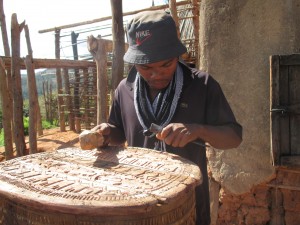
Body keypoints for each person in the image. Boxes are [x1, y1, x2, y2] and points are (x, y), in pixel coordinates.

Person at [92, 10, 242, 225]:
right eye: (145, 67)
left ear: (177, 56)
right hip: (138, 203)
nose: (156, 74)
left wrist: (197, 130)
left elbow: (234, 137)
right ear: (134, 62)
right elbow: (119, 134)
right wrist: (106, 134)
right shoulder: (124, 90)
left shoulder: (201, 85)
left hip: (187, 205)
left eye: (166, 64)